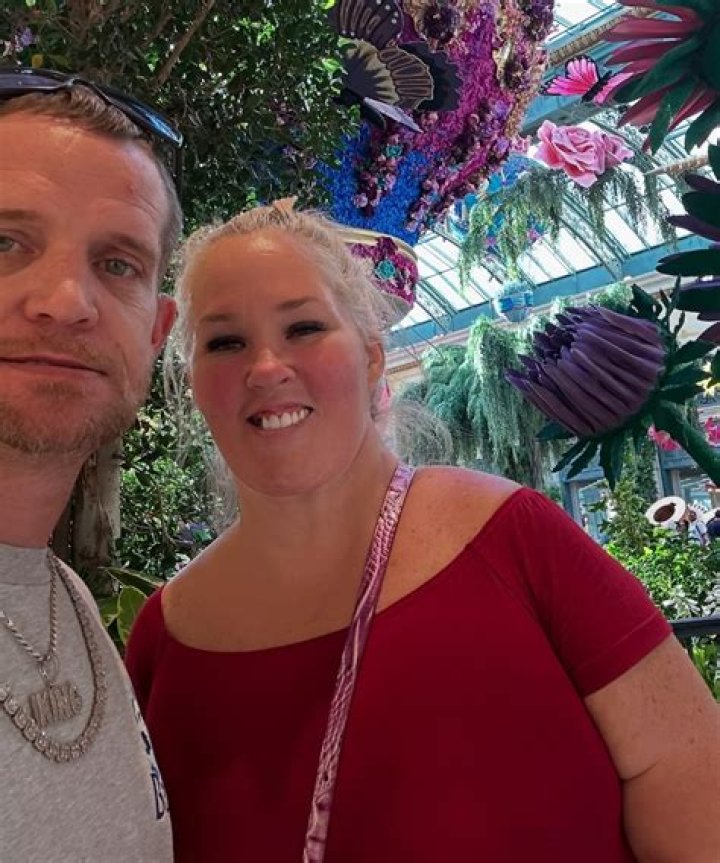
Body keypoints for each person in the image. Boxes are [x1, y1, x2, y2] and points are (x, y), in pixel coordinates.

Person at [126, 205, 720, 863]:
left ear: (371, 358)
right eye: (225, 342)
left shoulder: (515, 543)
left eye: (304, 327)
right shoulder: (164, 640)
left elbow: (691, 790)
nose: (265, 368)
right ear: (192, 383)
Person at [0, 67, 181, 860]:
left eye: (117, 264)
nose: (66, 300)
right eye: (5, 242)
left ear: (155, 332)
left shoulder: (67, 599)